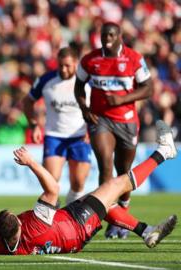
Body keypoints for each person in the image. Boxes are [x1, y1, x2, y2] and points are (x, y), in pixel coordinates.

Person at [0, 120, 177, 255]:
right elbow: (52, 187)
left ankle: (146, 231)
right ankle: (163, 153)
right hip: (74, 223)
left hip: (70, 242)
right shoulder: (34, 222)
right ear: (18, 224)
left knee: (105, 204)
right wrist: (31, 162)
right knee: (115, 184)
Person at [74, 22, 153, 239]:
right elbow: (79, 85)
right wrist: (84, 108)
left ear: (119, 36)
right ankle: (99, 220)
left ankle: (122, 215)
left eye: (111, 34)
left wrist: (122, 99)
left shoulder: (134, 59)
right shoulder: (90, 60)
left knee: (124, 171)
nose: (106, 38)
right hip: (101, 120)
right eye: (103, 35)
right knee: (105, 166)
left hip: (127, 121)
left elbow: (148, 88)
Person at [24, 47, 91, 205]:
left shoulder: (88, 82)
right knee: (51, 181)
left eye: (67, 65)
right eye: (60, 65)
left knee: (78, 183)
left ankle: (71, 213)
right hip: (54, 136)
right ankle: (52, 210)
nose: (63, 69)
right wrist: (33, 125)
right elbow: (27, 101)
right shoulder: (46, 80)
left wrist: (92, 129)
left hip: (80, 136)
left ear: (76, 63)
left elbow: (99, 107)